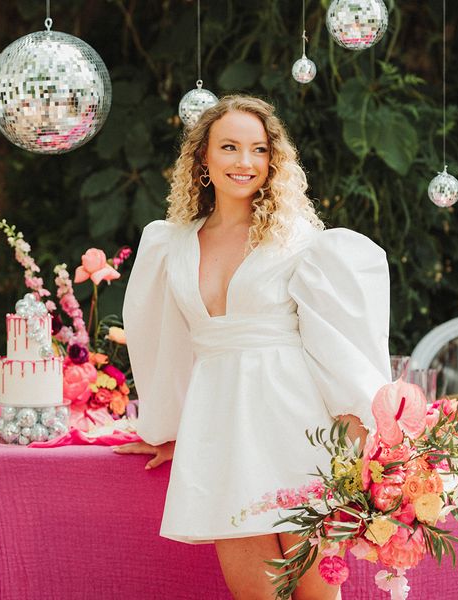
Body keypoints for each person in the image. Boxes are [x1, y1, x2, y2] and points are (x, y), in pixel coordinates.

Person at [114, 95, 391, 600]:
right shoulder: (169, 244)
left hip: (297, 427)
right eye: (230, 147)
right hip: (220, 431)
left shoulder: (298, 241)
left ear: (273, 160)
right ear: (203, 158)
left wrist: (357, 422)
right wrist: (165, 426)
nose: (245, 162)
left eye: (259, 149)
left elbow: (333, 338)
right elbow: (167, 343)